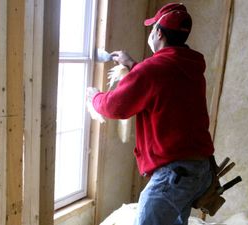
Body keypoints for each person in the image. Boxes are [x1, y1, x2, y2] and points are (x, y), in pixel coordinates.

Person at [88, 3, 214, 225]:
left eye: (152, 28)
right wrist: (133, 65)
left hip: (175, 173)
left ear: (158, 32)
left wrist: (94, 98)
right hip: (199, 170)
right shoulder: (188, 66)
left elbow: (116, 106)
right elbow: (162, 86)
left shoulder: (153, 70)